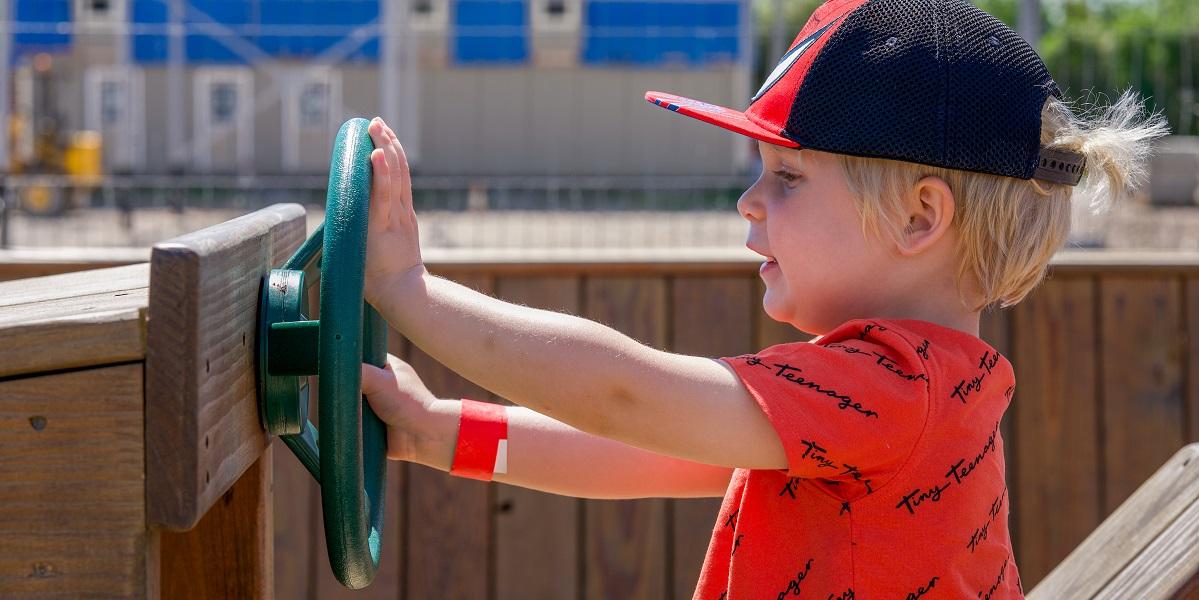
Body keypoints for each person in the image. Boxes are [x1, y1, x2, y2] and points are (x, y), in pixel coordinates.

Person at [357, 0, 1167, 597]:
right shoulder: (910, 393)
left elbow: (623, 394)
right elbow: (649, 448)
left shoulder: (894, 388)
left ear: (920, 217)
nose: (747, 202)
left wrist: (411, 294)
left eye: (785, 177)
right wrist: (440, 434)